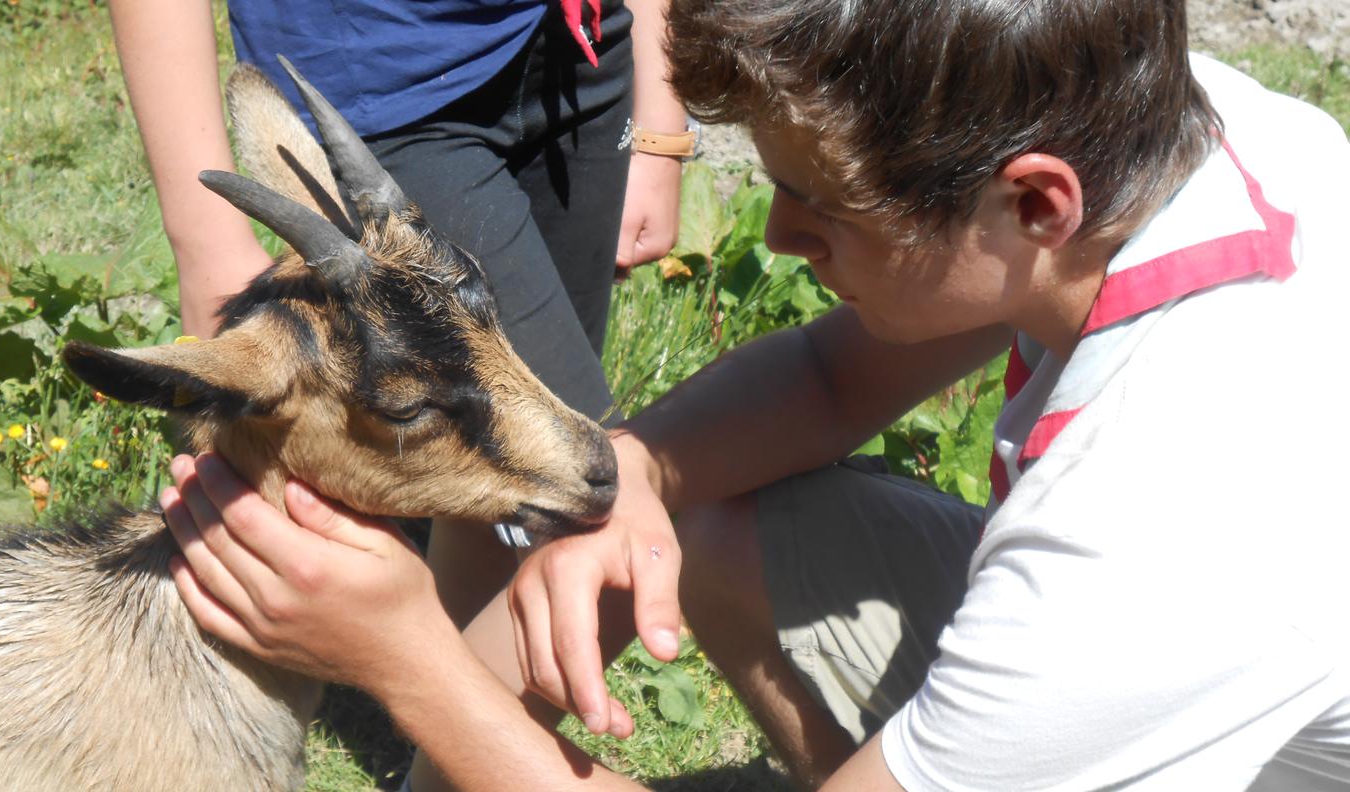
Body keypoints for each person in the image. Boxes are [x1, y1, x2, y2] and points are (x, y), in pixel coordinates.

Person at [160, 0, 1350, 788]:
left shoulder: (1167, 522)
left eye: (823, 205)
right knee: (717, 530)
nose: (778, 236)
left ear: (1036, 204)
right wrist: (630, 479)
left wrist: (405, 660)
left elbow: (1144, 566)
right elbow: (836, 378)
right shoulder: (1174, 124)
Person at [110, 3, 685, 786]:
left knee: (505, 470)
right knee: (589, 512)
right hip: (383, 83)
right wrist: (205, 238)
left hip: (579, 55)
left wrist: (658, 110)